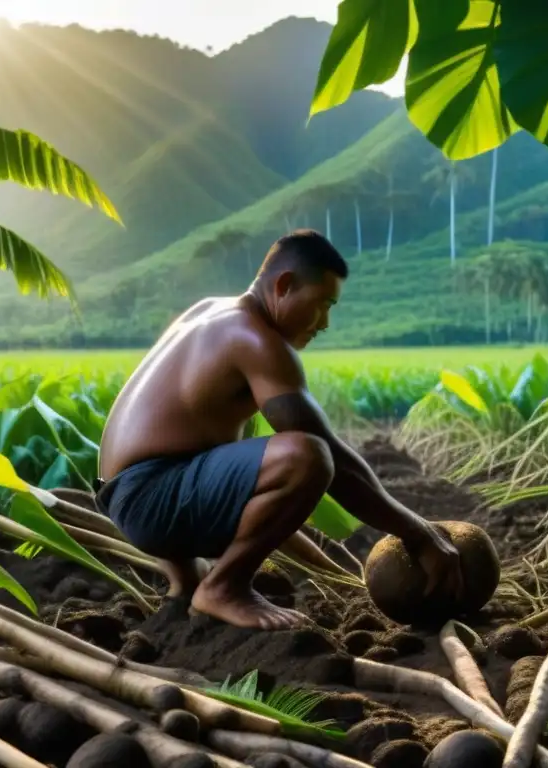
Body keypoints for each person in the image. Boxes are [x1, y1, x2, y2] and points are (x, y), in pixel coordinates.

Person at [94, 229, 463, 630]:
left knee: (257, 448)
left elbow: (193, 442)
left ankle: (188, 582)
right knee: (307, 456)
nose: (325, 322)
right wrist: (418, 533)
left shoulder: (210, 311)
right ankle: (223, 588)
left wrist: (331, 567)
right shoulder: (257, 341)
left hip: (123, 493)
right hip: (151, 498)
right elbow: (327, 456)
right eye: (323, 304)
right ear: (284, 286)